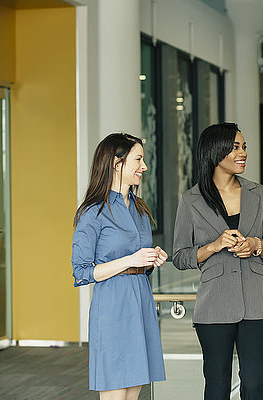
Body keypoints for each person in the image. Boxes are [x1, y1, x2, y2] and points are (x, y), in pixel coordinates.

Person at [172, 122, 263, 400]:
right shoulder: (191, 200)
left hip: (258, 302)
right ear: (214, 152)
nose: (242, 153)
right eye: (235, 147)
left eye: (244, 147)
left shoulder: (259, 193)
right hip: (214, 304)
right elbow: (180, 256)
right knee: (217, 385)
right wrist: (213, 246)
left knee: (256, 384)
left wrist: (257, 245)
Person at [71, 133, 167, 399]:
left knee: (134, 393)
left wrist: (150, 260)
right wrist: (130, 260)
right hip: (112, 308)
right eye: (138, 160)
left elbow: (139, 260)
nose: (144, 167)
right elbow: (81, 272)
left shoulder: (140, 209)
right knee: (115, 391)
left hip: (141, 302)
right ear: (116, 163)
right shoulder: (93, 213)